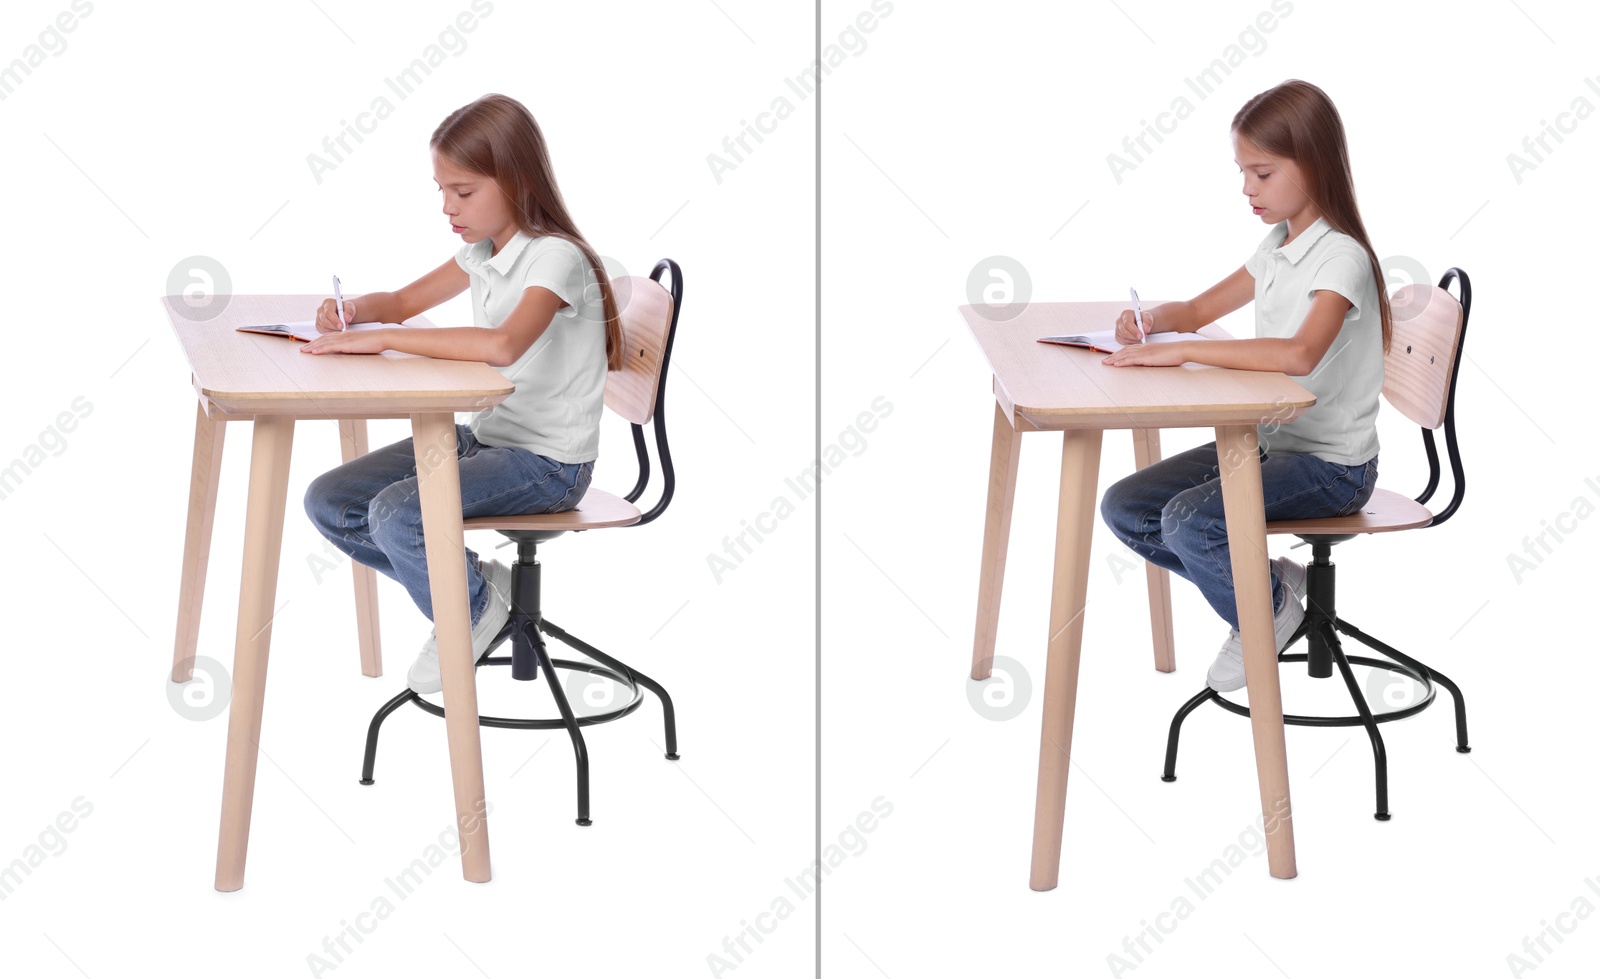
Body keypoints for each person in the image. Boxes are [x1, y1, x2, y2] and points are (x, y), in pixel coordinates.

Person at [300, 93, 624, 694]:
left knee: (398, 514)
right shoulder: (482, 252)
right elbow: (401, 303)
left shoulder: (557, 258)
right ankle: (478, 589)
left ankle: (472, 614)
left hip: (548, 464)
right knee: (331, 500)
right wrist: (353, 312)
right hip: (487, 439)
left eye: (464, 191)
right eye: (441, 190)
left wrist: (390, 340)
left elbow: (503, 345)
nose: (448, 206)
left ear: (517, 179)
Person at [1098, 79, 1390, 692]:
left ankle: (1261, 617)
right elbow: (1200, 307)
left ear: (1312, 164)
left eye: (1261, 173)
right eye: (1242, 172)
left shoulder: (1341, 258)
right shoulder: (1277, 246)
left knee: (1189, 521)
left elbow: (1300, 354)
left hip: (1331, 467)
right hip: (1268, 444)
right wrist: (1151, 323)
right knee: (1127, 507)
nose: (1246, 189)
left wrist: (1182, 352)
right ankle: (1274, 590)